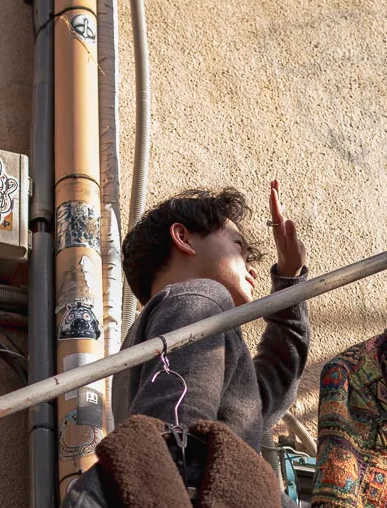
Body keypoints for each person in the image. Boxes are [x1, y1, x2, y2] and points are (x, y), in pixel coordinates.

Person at [114, 181, 310, 460]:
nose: (252, 268)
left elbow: (267, 390)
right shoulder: (200, 296)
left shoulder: (158, 337)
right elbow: (177, 443)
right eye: (238, 246)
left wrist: (290, 281)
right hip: (187, 494)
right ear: (183, 237)